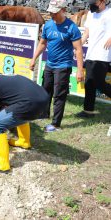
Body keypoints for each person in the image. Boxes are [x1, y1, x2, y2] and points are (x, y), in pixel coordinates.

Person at [0, 62, 49, 172]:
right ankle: (24, 142)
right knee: (15, 112)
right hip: (43, 99)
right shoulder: (0, 76)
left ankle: (2, 164)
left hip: (30, 103)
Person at [30, 0, 84, 132]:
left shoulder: (71, 27)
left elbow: (78, 50)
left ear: (63, 10)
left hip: (63, 66)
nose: (51, 14)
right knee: (45, 91)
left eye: (54, 12)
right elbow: (43, 43)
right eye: (50, 11)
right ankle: (43, 114)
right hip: (49, 64)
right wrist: (33, 59)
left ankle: (55, 124)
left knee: (59, 95)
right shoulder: (48, 25)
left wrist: (80, 70)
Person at [76, 0, 111, 118]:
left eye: (95, 2)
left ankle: (88, 110)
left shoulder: (110, 13)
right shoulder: (91, 14)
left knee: (99, 83)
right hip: (91, 53)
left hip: (103, 54)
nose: (92, 4)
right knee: (89, 83)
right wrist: (78, 45)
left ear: (103, 1)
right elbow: (86, 32)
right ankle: (88, 111)